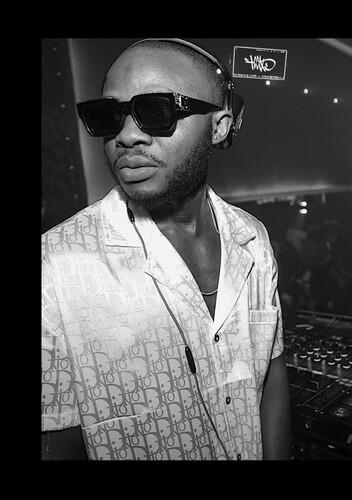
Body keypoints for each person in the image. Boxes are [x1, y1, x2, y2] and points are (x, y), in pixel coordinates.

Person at [41, 38, 290, 460]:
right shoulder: (56, 267)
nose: (126, 136)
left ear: (219, 126)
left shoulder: (252, 237)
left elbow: (272, 372)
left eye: (157, 112)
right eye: (109, 116)